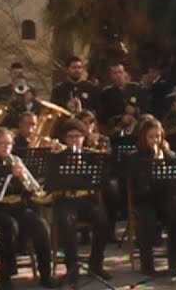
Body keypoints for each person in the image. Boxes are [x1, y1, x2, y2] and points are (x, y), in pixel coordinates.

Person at [0, 128, 54, 289]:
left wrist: (23, 178)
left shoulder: (16, 160)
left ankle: (46, 274)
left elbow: (31, 189)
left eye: (9, 143)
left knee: (41, 226)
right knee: (9, 226)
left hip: (19, 206)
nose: (6, 147)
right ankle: (6, 276)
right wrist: (7, 173)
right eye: (2, 143)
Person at [50, 119, 112, 284]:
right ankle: (71, 267)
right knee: (66, 223)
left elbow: (103, 181)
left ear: (84, 138)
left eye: (78, 136)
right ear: (64, 139)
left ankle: (95, 264)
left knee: (104, 224)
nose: (74, 140)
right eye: (70, 137)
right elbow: (50, 182)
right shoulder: (57, 158)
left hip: (88, 199)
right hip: (66, 199)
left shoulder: (92, 156)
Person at [129, 118, 176, 276]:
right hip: (144, 199)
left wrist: (164, 159)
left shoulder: (168, 155)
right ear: (144, 138)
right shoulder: (136, 157)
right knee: (147, 219)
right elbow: (133, 183)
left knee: (175, 218)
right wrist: (151, 166)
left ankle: (174, 263)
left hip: (164, 198)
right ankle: (147, 265)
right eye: (151, 137)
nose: (155, 140)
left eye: (158, 136)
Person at [98, 62, 143, 136]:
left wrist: (135, 111)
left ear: (125, 73)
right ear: (110, 76)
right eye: (115, 73)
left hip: (137, 128)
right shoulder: (106, 93)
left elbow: (146, 107)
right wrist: (121, 119)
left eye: (120, 72)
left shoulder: (136, 89)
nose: (118, 75)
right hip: (116, 129)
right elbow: (104, 117)